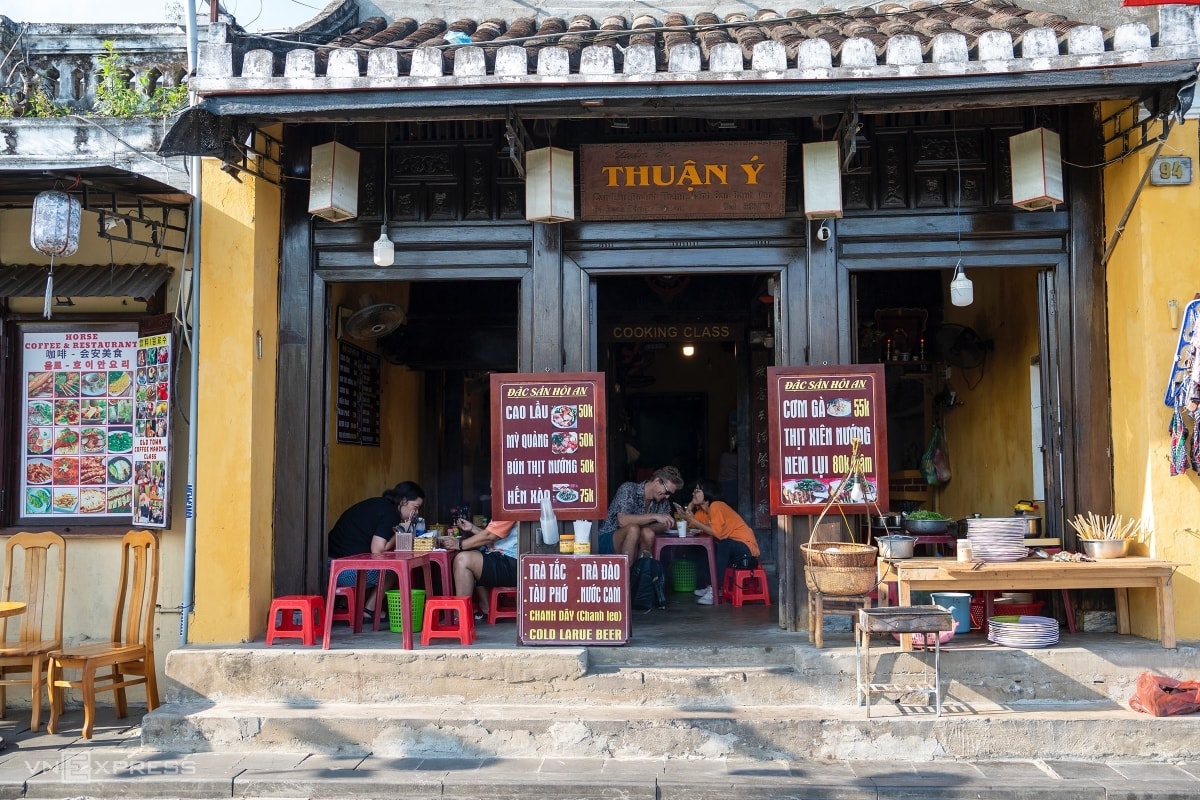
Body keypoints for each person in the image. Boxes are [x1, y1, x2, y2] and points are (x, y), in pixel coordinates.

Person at [327, 481, 425, 620]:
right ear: (403, 501)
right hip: (339, 572)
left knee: (371, 562)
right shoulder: (391, 513)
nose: (416, 513)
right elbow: (377, 550)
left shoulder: (379, 505)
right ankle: (369, 610)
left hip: (330, 566)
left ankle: (345, 604)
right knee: (393, 569)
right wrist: (401, 532)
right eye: (415, 507)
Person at [678, 478, 760, 605]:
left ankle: (715, 589)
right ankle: (710, 585)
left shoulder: (717, 506)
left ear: (708, 492)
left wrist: (693, 520)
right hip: (730, 549)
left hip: (746, 549)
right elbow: (690, 526)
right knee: (699, 548)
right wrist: (690, 507)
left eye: (698, 490)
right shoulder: (702, 512)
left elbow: (717, 534)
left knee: (724, 544)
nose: (693, 492)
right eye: (694, 490)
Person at [597, 465, 684, 562]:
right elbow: (622, 521)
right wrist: (654, 516)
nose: (667, 497)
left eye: (670, 494)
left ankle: (640, 570)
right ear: (657, 481)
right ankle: (627, 571)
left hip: (634, 541)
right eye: (667, 492)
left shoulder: (662, 500)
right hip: (608, 539)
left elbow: (667, 523)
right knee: (633, 529)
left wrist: (643, 528)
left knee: (648, 533)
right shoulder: (628, 489)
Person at [440, 518, 518, 619]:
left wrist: (459, 544)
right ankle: (486, 607)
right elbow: (494, 536)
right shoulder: (504, 511)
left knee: (463, 560)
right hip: (504, 558)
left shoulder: (508, 511)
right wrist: (472, 528)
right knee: (473, 554)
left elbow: (489, 536)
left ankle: (460, 614)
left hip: (512, 564)